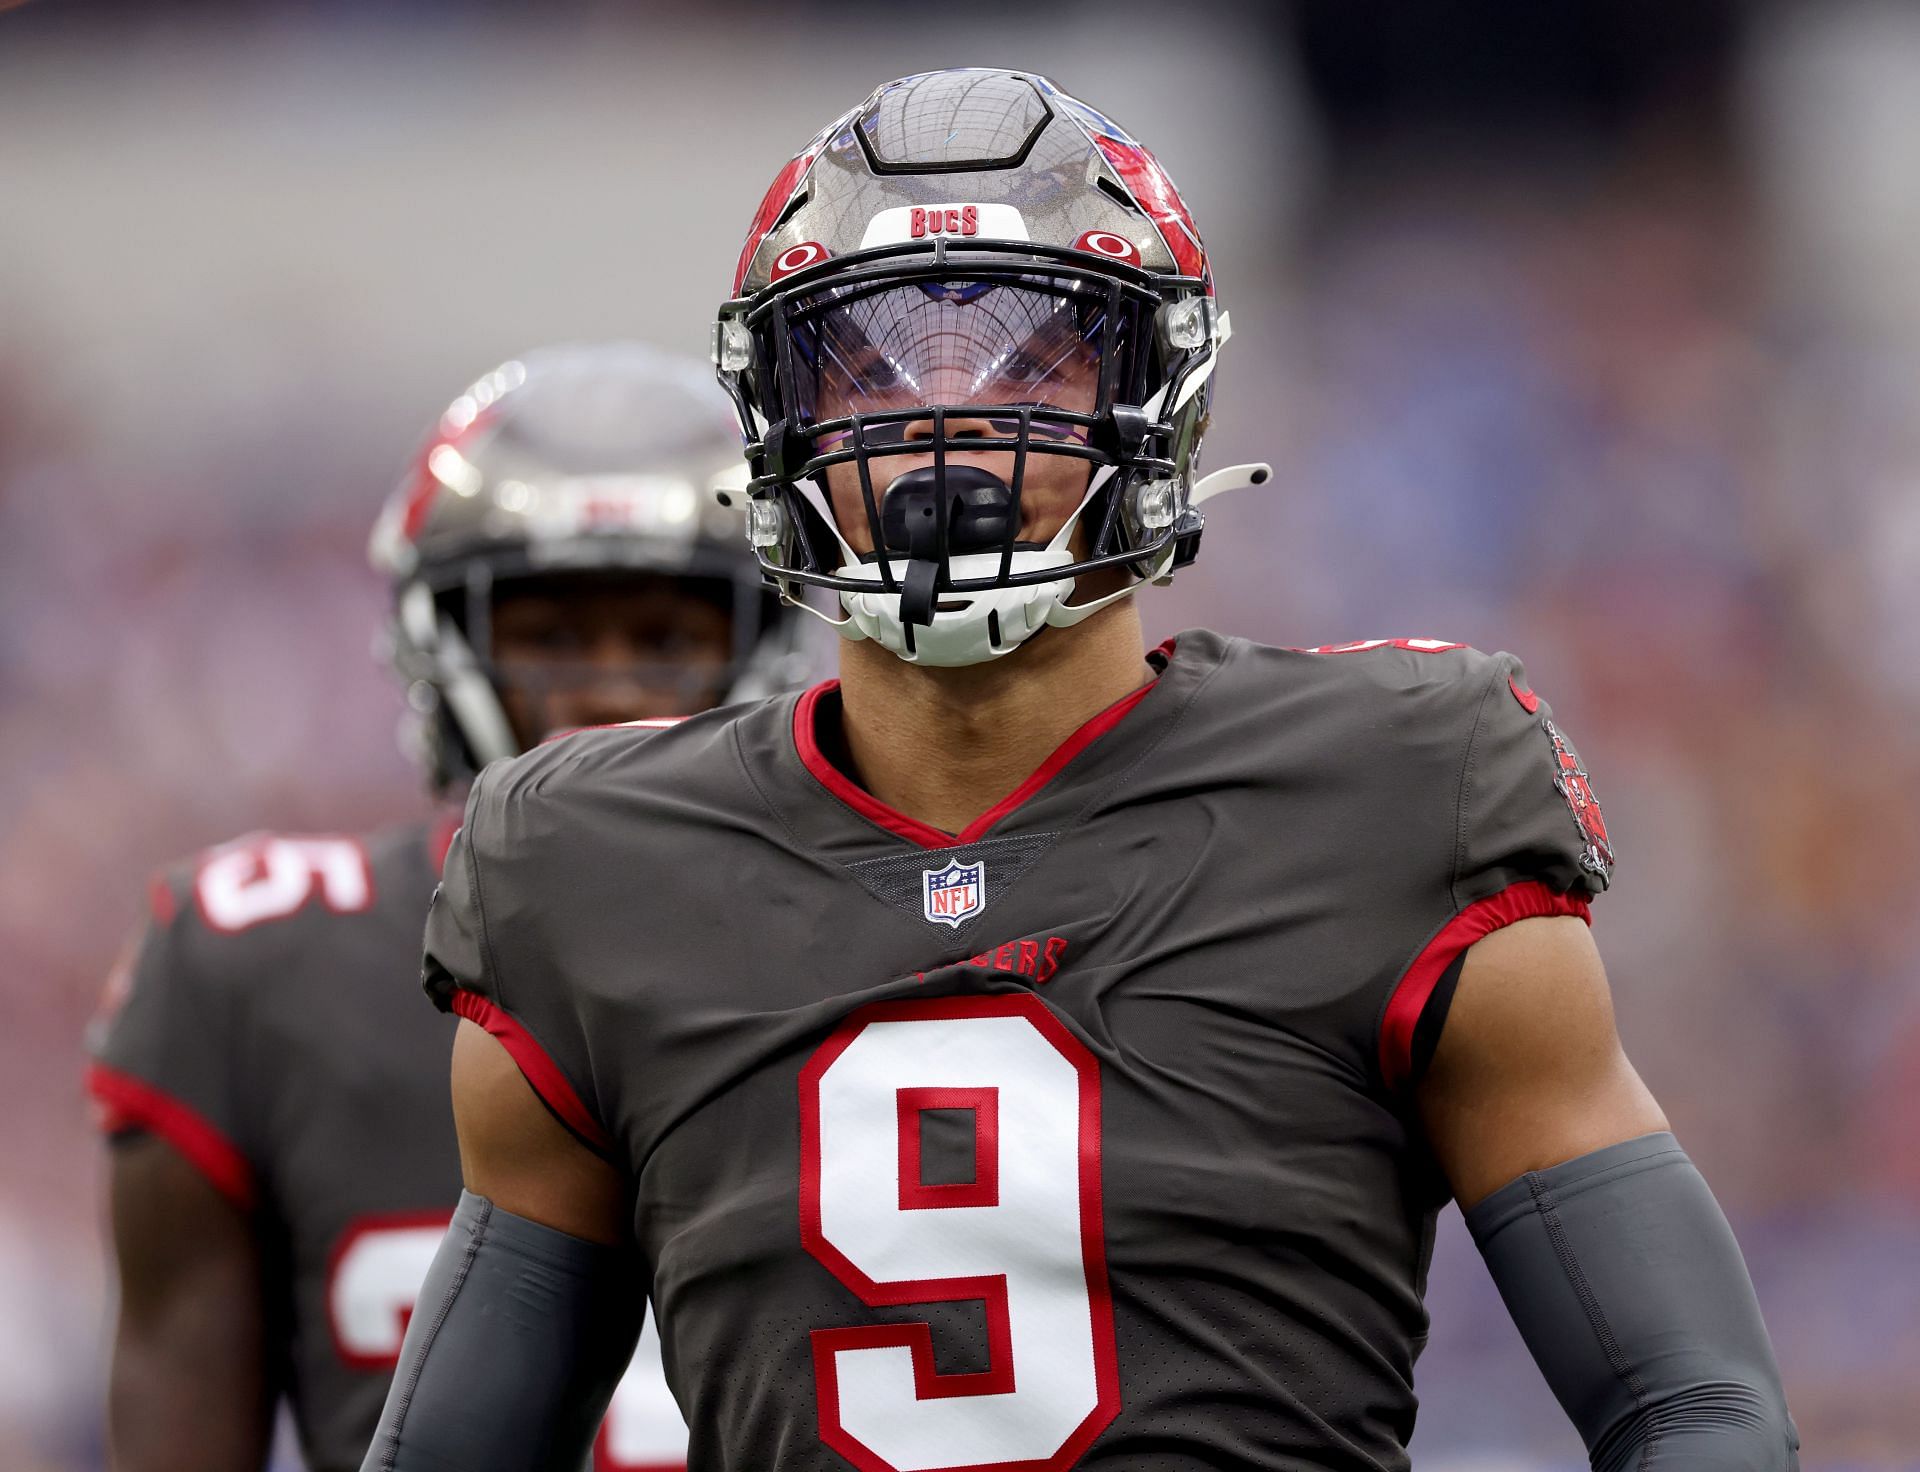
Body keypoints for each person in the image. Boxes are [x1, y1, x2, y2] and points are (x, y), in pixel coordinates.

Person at [370, 71, 1799, 1472]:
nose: (946, 422)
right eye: (865, 365)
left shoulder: (1397, 786)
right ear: (776, 416)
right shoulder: (595, 865)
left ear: (1158, 395)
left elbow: (1693, 1405)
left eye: (1030, 359)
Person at [87, 343, 805, 1472]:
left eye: (665, 638)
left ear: (766, 639)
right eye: (550, 635)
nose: (608, 686)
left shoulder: (872, 928)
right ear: (443, 643)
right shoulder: (254, 958)